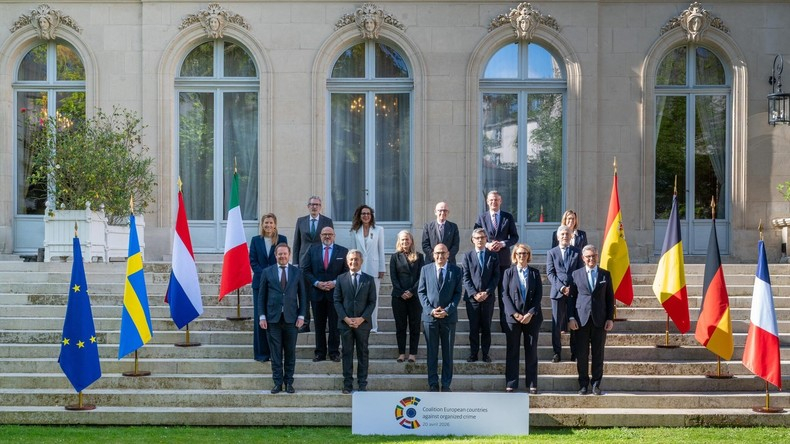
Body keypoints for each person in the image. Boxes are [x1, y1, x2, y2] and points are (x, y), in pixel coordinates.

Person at [258, 243, 308, 394]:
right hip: (272, 320)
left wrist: (302, 315)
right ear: (275, 255)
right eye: (280, 254)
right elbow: (261, 296)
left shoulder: (297, 272)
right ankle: (277, 383)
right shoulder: (267, 272)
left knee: (290, 353)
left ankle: (289, 383)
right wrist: (262, 316)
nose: (282, 256)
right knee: (276, 354)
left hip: (292, 320)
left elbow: (303, 296)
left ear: (289, 254)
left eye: (285, 253)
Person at [569, 245, 615, 396]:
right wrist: (571, 317)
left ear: (597, 256)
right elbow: (571, 299)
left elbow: (610, 298)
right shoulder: (576, 274)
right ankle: (583, 384)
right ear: (583, 258)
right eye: (588, 256)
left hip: (599, 320)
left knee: (598, 353)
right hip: (580, 320)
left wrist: (610, 318)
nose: (591, 259)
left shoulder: (605, 275)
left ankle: (596, 384)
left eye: (593, 256)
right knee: (581, 354)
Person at [418, 244, 463, 392]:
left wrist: (447, 310)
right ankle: (433, 383)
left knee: (447, 353)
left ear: (448, 254)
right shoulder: (425, 270)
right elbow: (421, 292)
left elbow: (457, 293)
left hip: (448, 318)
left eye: (443, 253)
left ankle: (446, 384)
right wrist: (431, 310)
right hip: (430, 319)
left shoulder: (456, 271)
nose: (440, 256)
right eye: (437, 253)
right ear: (433, 254)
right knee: (432, 353)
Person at [301, 227, 348, 363]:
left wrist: (335, 283)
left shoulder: (343, 251)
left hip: (335, 294)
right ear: (320, 236)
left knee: (334, 325)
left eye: (330, 234)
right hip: (317, 293)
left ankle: (334, 352)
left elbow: (346, 271)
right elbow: (306, 270)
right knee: (319, 325)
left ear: (334, 236)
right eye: (325, 234)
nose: (327, 236)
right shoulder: (312, 250)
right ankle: (320, 352)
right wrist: (316, 283)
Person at [474, 190, 519, 330]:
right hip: (487, 261)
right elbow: (474, 236)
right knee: (487, 292)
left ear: (501, 201)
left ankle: (505, 325)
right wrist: (487, 244)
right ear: (487, 202)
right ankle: (484, 325)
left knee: (504, 292)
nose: (494, 202)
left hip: (503, 260)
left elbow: (514, 237)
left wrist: (503, 243)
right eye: (491, 200)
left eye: (496, 200)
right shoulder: (481, 218)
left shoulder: (507, 217)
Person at [333, 250, 377, 394]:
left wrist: (361, 318)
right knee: (347, 353)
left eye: (356, 259)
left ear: (361, 261)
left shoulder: (369, 279)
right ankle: (347, 384)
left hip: (362, 324)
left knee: (363, 353)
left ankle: (362, 383)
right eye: (351, 259)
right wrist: (345, 318)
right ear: (347, 261)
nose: (353, 262)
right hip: (345, 324)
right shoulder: (341, 279)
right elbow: (337, 301)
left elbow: (372, 302)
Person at [502, 244, 543, 394]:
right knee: (512, 350)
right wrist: (515, 314)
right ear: (515, 255)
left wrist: (530, 314)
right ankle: (511, 383)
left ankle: (532, 383)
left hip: (531, 318)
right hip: (514, 318)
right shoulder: (508, 273)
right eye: (519, 253)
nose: (522, 256)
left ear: (528, 255)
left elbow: (538, 295)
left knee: (531, 351)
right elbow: (504, 294)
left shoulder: (534, 273)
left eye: (525, 253)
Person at [249, 213, 287, 362]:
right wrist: (266, 275)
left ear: (275, 224)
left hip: (277, 285)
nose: (268, 225)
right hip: (259, 284)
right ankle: (261, 354)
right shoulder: (255, 240)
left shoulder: (282, 239)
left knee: (274, 319)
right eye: (266, 223)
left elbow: (283, 260)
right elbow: (253, 261)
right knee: (260, 317)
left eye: (271, 223)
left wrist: (271, 277)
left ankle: (275, 353)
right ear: (262, 224)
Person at [293, 196, 334, 333]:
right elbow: (297, 243)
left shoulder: (327, 221)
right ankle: (304, 323)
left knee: (323, 294)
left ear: (320, 206)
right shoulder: (301, 221)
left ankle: (324, 324)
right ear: (308, 206)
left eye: (317, 204)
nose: (314, 207)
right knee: (304, 294)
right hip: (304, 263)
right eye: (312, 204)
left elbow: (331, 241)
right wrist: (295, 263)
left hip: (321, 262)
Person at [461, 228, 500, 363]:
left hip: (488, 298)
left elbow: (496, 276)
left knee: (486, 327)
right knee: (473, 327)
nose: (480, 240)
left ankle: (485, 354)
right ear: (472, 240)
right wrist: (474, 293)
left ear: (486, 239)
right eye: (477, 238)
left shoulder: (493, 256)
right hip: (472, 299)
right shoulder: (467, 256)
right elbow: (465, 277)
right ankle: (473, 354)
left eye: (482, 237)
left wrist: (487, 292)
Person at [546, 225, 583, 363]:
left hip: (574, 293)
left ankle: (575, 352)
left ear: (571, 236)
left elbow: (580, 272)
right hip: (558, 293)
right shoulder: (552, 252)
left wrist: (572, 288)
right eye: (562, 234)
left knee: (575, 322)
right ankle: (557, 352)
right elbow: (550, 273)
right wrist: (562, 288)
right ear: (558, 237)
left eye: (567, 234)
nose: (565, 236)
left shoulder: (577, 252)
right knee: (556, 324)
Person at [389, 230, 424, 363]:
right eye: (402, 239)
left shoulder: (419, 256)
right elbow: (393, 277)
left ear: (411, 241)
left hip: (414, 297)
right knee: (401, 326)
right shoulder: (394, 257)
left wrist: (412, 291)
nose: (405, 242)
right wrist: (402, 292)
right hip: (399, 297)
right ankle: (401, 353)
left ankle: (413, 353)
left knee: (415, 326)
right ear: (399, 241)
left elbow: (421, 276)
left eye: (407, 239)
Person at [348, 204, 385, 332]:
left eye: (368, 213)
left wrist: (382, 268)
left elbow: (381, 250)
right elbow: (352, 251)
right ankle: (360, 323)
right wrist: (352, 268)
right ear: (359, 215)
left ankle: (373, 326)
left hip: (374, 268)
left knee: (373, 298)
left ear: (371, 216)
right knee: (359, 298)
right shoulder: (354, 231)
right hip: (359, 268)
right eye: (363, 213)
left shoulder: (379, 230)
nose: (366, 216)